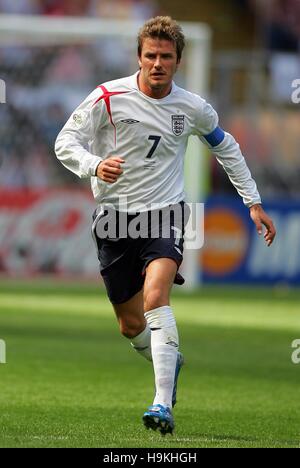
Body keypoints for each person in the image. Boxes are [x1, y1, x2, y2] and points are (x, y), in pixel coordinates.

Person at [55, 16, 276, 435]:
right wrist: (95, 165)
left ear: (178, 62)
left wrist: (253, 202)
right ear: (138, 58)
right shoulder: (106, 97)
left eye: (167, 57)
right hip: (114, 218)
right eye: (151, 56)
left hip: (165, 214)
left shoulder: (192, 107)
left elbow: (226, 146)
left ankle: (161, 403)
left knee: (157, 296)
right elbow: (65, 141)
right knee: (131, 325)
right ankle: (168, 359)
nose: (158, 63)